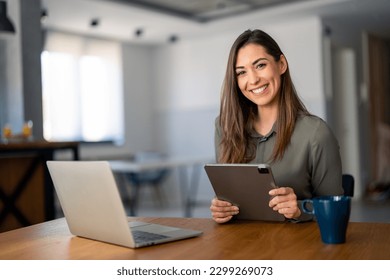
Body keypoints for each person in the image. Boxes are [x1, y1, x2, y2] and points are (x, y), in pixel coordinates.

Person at [210, 29, 343, 223]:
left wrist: (299, 208)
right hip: (239, 246)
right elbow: (228, 195)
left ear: (281, 64)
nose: (253, 79)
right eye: (241, 72)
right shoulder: (224, 127)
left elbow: (336, 209)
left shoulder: (315, 133)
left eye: (260, 65)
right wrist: (221, 209)